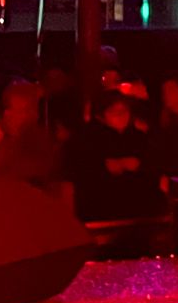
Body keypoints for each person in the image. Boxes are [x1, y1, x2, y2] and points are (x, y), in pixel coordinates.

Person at [69, 90, 162, 223]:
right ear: (101, 114)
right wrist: (105, 166)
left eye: (124, 111)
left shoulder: (139, 139)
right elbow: (79, 170)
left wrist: (138, 165)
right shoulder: (85, 139)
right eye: (114, 111)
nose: (121, 116)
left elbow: (154, 169)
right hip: (101, 209)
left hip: (138, 210)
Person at [0, 80, 62, 187]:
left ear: (32, 114)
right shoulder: (2, 141)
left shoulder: (37, 146)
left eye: (14, 110)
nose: (7, 115)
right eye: (6, 108)